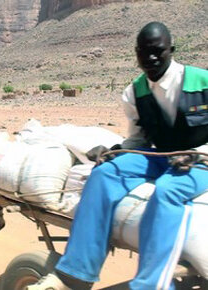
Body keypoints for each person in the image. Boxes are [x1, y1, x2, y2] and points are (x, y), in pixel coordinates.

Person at [29, 22, 208, 290]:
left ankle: (152, 284)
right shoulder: (134, 91)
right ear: (136, 53)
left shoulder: (202, 80)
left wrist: (197, 153)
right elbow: (137, 140)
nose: (151, 58)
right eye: (144, 52)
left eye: (158, 51)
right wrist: (116, 153)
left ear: (172, 49)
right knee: (103, 174)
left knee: (168, 190)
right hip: (159, 155)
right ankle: (76, 271)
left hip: (201, 160)